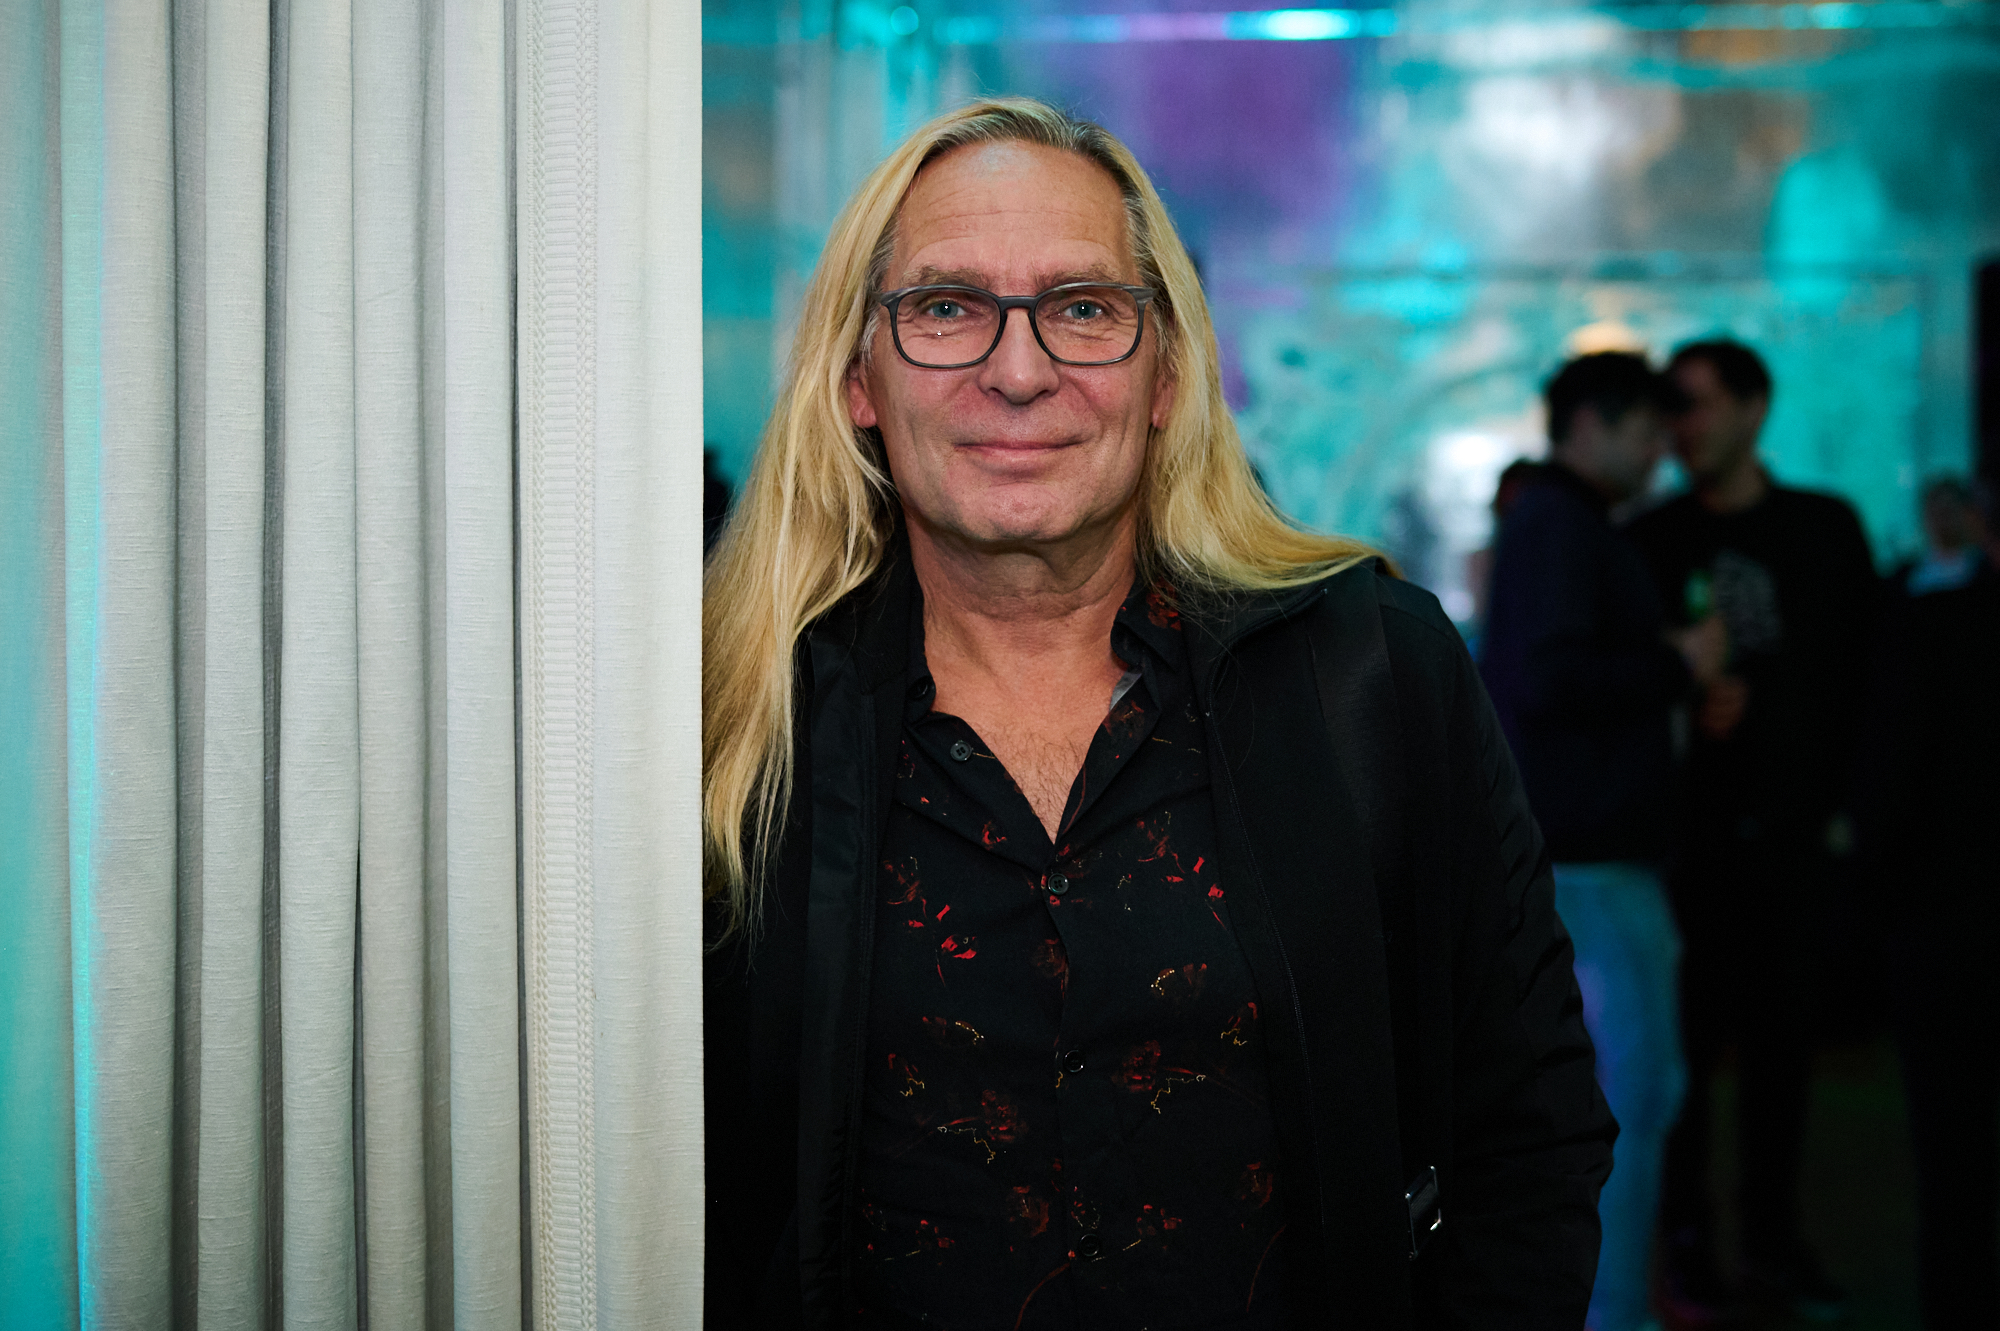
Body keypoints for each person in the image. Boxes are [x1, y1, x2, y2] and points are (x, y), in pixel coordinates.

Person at [700, 98, 1614, 1330]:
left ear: (1168, 375)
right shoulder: (736, 718)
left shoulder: (1370, 674)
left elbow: (1525, 1126)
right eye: (946, 307)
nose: (1017, 371)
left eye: (1083, 309)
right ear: (859, 380)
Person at [1625, 339, 1878, 1322]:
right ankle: (1689, 1243)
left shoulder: (1821, 528)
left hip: (1790, 836)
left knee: (1782, 1054)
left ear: (1753, 406)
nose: (1679, 427)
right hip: (1686, 842)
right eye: (1669, 408)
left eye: (1694, 404)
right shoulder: (1651, 537)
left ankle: (1772, 1240)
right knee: (1681, 1059)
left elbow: (1864, 676)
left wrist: (1846, 812)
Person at [1481, 353, 1727, 1331]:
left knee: (1627, 1091)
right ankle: (1612, 1309)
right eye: (1646, 432)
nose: (1661, 453)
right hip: (1587, 860)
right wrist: (1674, 661)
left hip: (1581, 855)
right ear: (1590, 423)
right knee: (1631, 1092)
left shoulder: (1554, 520)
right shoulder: (1559, 523)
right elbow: (1548, 678)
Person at [1866, 477, 2000, 1330]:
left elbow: (1893, 775)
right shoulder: (1923, 604)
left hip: (1945, 918)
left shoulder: (1927, 622)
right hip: (1951, 913)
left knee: (1952, 1150)